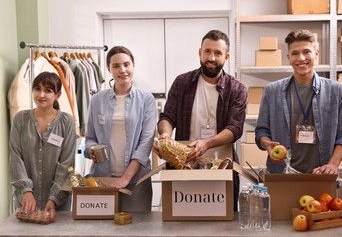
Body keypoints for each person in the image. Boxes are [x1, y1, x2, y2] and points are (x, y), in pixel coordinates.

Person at [154, 30, 248, 211]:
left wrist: (206, 143)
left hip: (222, 166)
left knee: (223, 226)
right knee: (182, 223)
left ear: (226, 57)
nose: (211, 58)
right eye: (207, 51)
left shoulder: (237, 89)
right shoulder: (182, 83)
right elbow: (168, 116)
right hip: (184, 164)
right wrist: (165, 135)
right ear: (200, 52)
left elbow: (235, 128)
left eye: (218, 53)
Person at [255, 29, 342, 175]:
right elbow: (262, 131)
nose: (301, 58)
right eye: (295, 53)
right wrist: (267, 144)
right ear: (288, 57)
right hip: (282, 174)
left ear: (316, 54)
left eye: (306, 52)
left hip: (322, 174)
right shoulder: (272, 91)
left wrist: (333, 165)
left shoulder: (336, 91)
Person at [84, 46, 157, 212]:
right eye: (116, 66)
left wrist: (126, 177)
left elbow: (146, 143)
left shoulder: (146, 100)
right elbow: (89, 138)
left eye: (126, 64)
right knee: (102, 229)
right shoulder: (97, 100)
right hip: (102, 178)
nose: (122, 70)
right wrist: (92, 149)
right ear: (109, 69)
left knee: (137, 228)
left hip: (136, 180)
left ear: (133, 66)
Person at [9, 72, 76, 213]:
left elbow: (67, 163)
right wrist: (26, 191)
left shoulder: (67, 121)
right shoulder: (20, 119)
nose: (41, 94)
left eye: (48, 90)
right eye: (37, 89)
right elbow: (15, 157)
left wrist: (54, 198)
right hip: (25, 201)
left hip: (58, 203)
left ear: (58, 95)